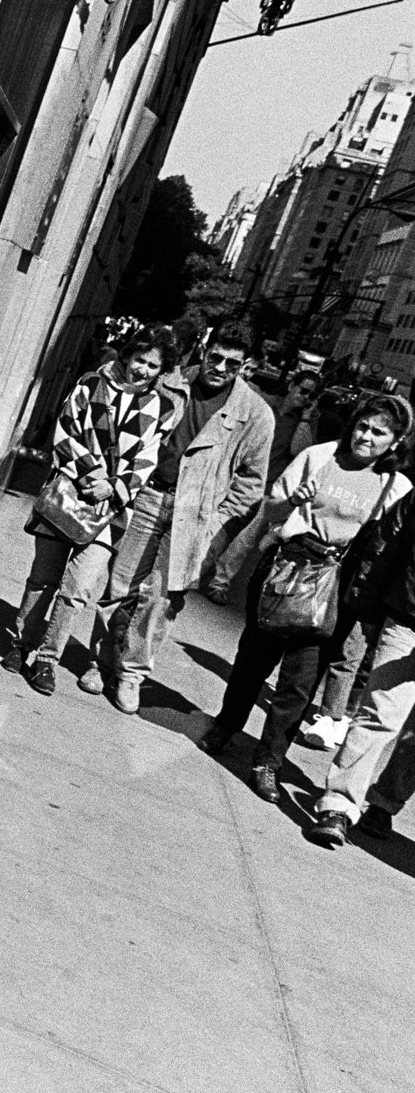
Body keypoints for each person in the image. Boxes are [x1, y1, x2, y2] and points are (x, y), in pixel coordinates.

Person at [199, 395, 412, 803]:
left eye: (378, 432)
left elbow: (387, 548)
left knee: (299, 683)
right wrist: (294, 501)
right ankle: (225, 727)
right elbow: (271, 510)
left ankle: (268, 762)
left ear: (396, 442)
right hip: (287, 567)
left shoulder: (396, 487)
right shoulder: (319, 456)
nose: (365, 436)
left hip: (333, 589)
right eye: (362, 426)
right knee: (252, 662)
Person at [80, 328, 274, 713]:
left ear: (245, 366)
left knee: (162, 600)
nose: (220, 368)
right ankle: (101, 661)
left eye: (232, 364)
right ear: (204, 350)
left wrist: (217, 523)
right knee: (122, 584)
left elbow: (252, 484)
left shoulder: (255, 413)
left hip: (197, 516)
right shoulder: (168, 381)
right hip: (147, 496)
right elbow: (119, 401)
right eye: (215, 358)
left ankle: (132, 674)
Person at [6, 327, 178, 695]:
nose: (143, 370)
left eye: (152, 366)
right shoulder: (90, 384)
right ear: (127, 356)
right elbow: (65, 433)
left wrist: (114, 487)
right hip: (68, 494)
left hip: (111, 512)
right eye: (139, 360)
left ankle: (48, 660)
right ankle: (22, 645)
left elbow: (147, 460)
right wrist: (94, 474)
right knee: (43, 578)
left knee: (78, 589)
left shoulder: (162, 408)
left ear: (161, 371)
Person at [305, 476, 415, 846]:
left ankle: (384, 804)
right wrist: (366, 604)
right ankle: (337, 805)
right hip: (409, 619)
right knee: (380, 715)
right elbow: (390, 540)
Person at [201, 368, 321, 605]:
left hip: (265, 490)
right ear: (291, 386)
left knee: (242, 541)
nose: (305, 397)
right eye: (303, 390)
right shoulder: (263, 404)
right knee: (214, 528)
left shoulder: (305, 423)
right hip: (235, 479)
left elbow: (300, 450)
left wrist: (306, 417)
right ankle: (194, 570)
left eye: (312, 395)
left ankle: (219, 583)